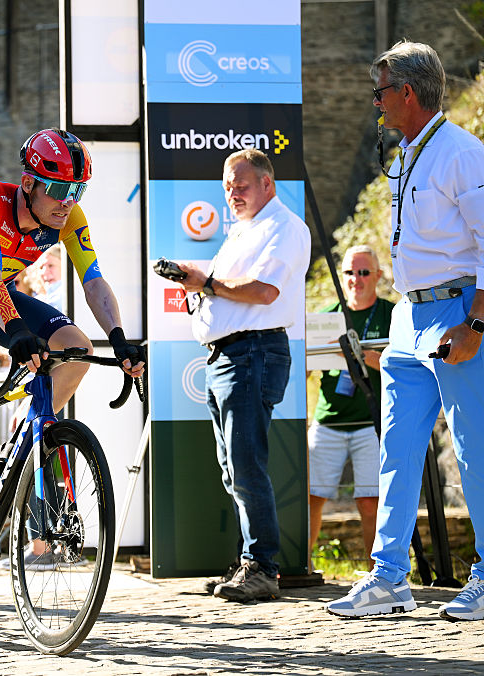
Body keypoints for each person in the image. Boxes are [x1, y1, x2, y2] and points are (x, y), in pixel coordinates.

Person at [0, 128, 144, 602]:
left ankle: (28, 431)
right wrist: (17, 332)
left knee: (76, 348)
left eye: (76, 191)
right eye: (59, 190)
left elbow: (94, 282)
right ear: (29, 183)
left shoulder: (69, 220)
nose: (67, 201)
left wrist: (120, 339)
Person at [327, 41, 484, 621]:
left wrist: (477, 323)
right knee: (396, 451)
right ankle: (389, 577)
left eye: (381, 92)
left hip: (456, 312)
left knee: (475, 452)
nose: (377, 103)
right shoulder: (412, 152)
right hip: (407, 315)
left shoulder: (462, 154)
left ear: (408, 92)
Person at [173, 148, 311, 603]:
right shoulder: (245, 230)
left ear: (267, 184)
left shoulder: (284, 227)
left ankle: (263, 568)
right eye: (228, 187)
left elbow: (264, 292)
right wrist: (198, 280)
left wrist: (206, 283)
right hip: (228, 356)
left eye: (242, 185)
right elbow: (231, 290)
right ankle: (248, 562)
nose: (233, 194)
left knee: (246, 464)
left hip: (253, 353)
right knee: (234, 468)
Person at [308, 245, 393, 563]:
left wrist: (364, 356)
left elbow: (403, 365)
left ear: (378, 276)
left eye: (363, 272)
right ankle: (302, 568)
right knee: (312, 497)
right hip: (328, 421)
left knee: (370, 501)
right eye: (349, 272)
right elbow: (304, 371)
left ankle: (377, 573)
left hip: (371, 423)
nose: (356, 279)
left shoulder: (391, 313)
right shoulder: (327, 317)